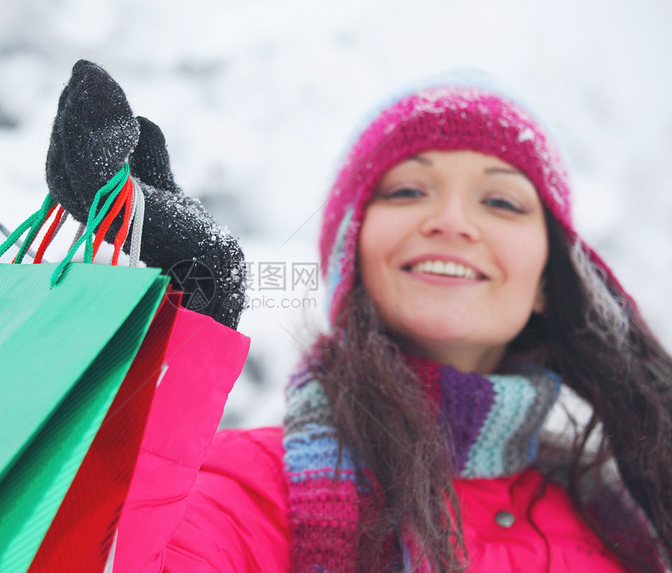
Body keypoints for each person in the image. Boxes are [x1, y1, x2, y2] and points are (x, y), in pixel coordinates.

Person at [46, 61, 672, 572]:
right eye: (407, 190)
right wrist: (167, 356)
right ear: (353, 257)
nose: (452, 220)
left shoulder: (627, 515)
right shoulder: (250, 486)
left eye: (502, 201)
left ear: (548, 281)